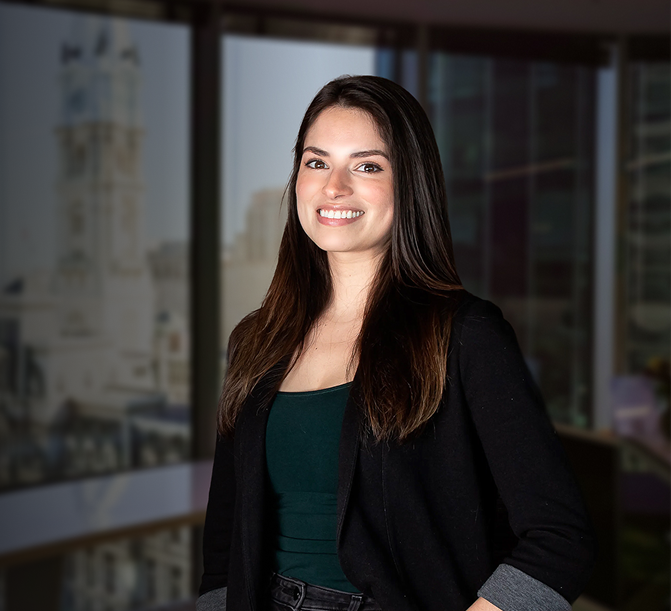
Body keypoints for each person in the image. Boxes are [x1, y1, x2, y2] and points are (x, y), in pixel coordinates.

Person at [197, 75, 594, 611]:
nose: (334, 186)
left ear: (410, 184)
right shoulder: (255, 340)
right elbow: (226, 537)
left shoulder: (464, 335)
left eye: (367, 166)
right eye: (317, 162)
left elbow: (559, 538)